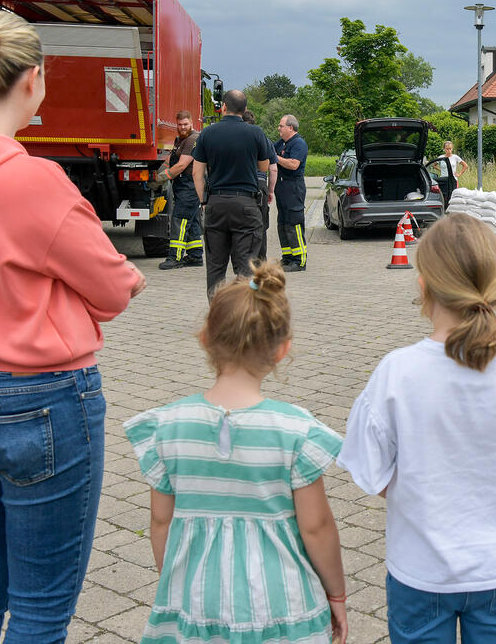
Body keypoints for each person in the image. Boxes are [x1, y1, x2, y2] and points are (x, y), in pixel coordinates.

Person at [0, 3, 145, 643]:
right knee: (41, 607)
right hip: (37, 396)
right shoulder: (32, 180)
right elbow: (113, 286)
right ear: (33, 79)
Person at [337, 213, 496, 644]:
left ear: (422, 284)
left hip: (421, 571)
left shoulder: (397, 371)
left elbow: (371, 472)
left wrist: (421, 485)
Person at [125, 261, 347, 644]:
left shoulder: (166, 427)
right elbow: (316, 526)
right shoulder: (295, 431)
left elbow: (161, 523)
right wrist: (337, 593)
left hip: (197, 599)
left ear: (205, 338)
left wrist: (174, 586)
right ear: (282, 350)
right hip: (281, 600)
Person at [191, 89, 272, 296]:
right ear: (244, 110)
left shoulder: (207, 133)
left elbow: (196, 172)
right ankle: (242, 312)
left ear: (223, 107)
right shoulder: (255, 133)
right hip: (246, 205)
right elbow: (264, 167)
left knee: (216, 267)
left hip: (216, 204)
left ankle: (218, 315)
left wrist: (204, 201)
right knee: (247, 266)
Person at [158, 110, 204, 269]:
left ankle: (175, 258)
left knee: (180, 219)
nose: (182, 127)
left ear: (192, 123)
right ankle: (195, 256)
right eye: (180, 124)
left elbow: (182, 165)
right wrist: (160, 169)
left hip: (189, 186)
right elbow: (171, 158)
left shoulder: (193, 139)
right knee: (191, 222)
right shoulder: (181, 139)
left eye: (185, 124)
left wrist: (160, 178)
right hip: (183, 185)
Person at [241, 108, 278, 263]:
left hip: (241, 185)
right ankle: (260, 260)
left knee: (242, 225)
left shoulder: (236, 139)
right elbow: (273, 169)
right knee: (261, 225)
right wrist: (270, 191)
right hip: (260, 184)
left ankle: (244, 260)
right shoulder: (265, 140)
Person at [275, 114, 309, 272]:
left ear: (290, 127)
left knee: (294, 224)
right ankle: (287, 257)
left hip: (293, 188)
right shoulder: (282, 143)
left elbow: (294, 164)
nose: (279, 129)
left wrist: (275, 158)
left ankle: (299, 260)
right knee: (283, 223)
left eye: (281, 126)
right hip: (281, 188)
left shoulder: (298, 144)